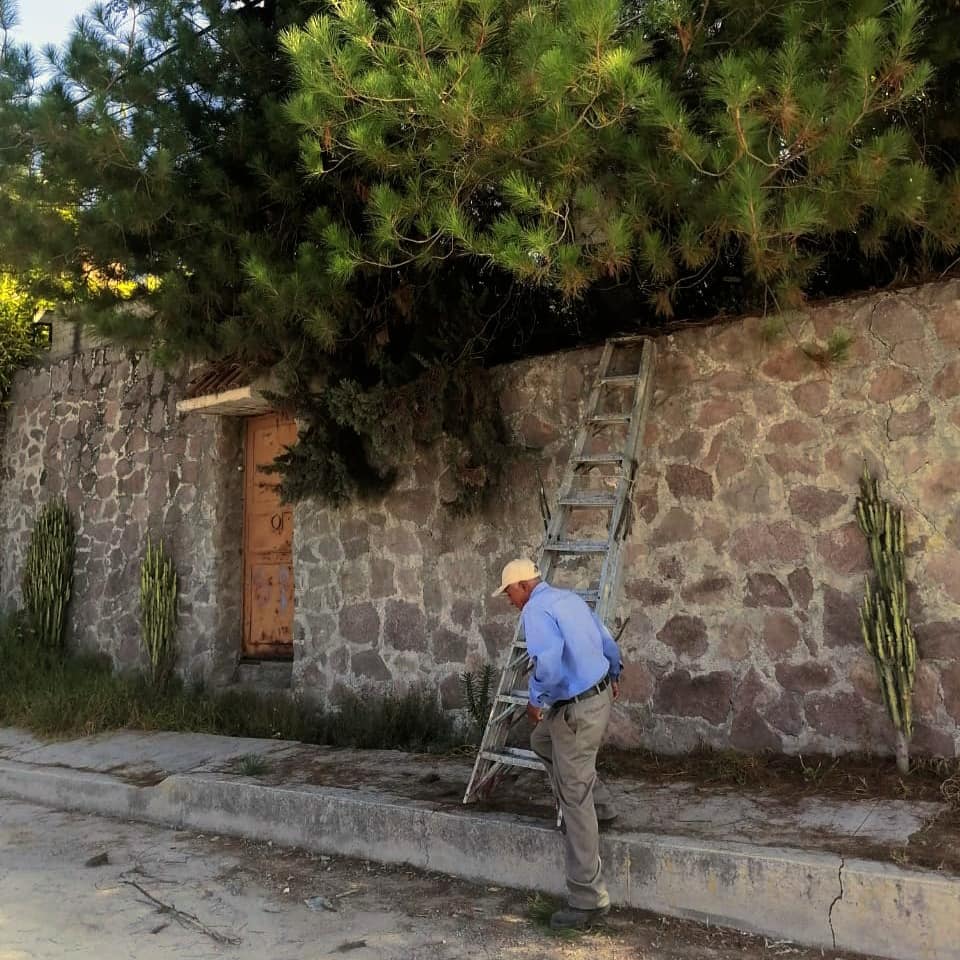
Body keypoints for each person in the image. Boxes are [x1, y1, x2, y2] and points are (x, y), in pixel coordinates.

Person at [490, 557, 623, 931]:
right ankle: (605, 806)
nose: (509, 601)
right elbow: (605, 639)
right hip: (594, 698)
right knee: (541, 740)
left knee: (573, 796)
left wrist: (535, 699)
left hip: (575, 711)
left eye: (509, 594)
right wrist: (615, 671)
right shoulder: (568, 599)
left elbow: (547, 664)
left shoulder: (536, 610)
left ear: (523, 586)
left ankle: (587, 900)